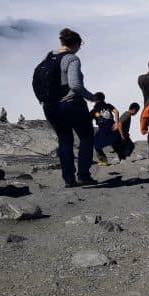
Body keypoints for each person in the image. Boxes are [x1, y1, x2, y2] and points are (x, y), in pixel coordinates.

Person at [33, 28, 98, 188]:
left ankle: (69, 179)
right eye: (80, 45)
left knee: (64, 140)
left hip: (50, 106)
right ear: (75, 44)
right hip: (71, 104)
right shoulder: (71, 59)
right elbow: (75, 85)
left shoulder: (49, 56)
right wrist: (91, 97)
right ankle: (83, 175)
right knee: (86, 136)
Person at [90, 92, 123, 165]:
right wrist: (117, 123)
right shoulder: (108, 105)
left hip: (103, 128)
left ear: (95, 100)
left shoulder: (94, 110)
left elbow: (88, 120)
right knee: (116, 143)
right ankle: (122, 158)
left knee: (96, 144)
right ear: (103, 98)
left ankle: (103, 160)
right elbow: (116, 111)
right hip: (112, 126)